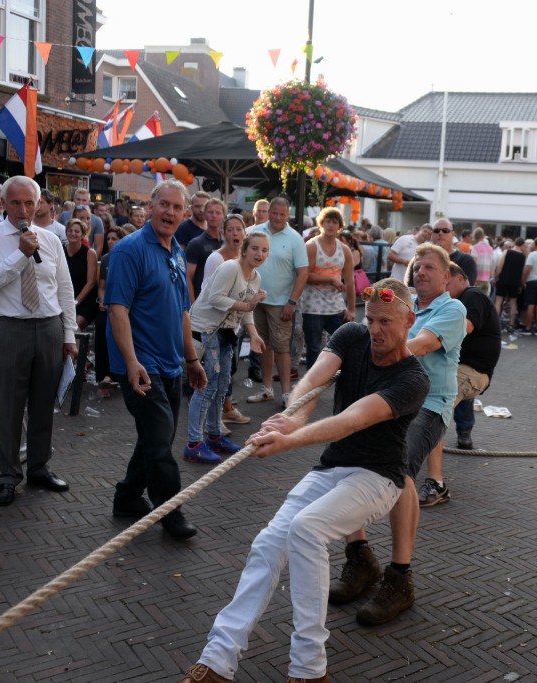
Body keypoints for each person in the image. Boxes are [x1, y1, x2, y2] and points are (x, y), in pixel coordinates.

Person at [180, 279, 428, 683]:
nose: (376, 330)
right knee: (267, 544)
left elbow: (353, 419)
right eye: (372, 320)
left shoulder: (413, 380)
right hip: (333, 468)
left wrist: (290, 439)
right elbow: (315, 379)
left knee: (306, 530)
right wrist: (295, 415)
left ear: (409, 321)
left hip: (379, 478)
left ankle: (310, 670)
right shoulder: (353, 335)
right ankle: (216, 661)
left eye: (387, 322)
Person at [331, 244, 465, 626]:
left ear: (445, 276)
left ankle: (399, 577)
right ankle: (360, 560)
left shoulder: (451, 309)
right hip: (386, 398)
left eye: (429, 267)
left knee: (400, 467)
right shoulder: (402, 307)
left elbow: (421, 345)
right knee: (343, 453)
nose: (420, 272)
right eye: (416, 266)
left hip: (428, 404)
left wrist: (379, 341)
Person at [105, 179, 207, 540]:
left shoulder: (176, 249)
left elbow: (182, 311)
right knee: (161, 441)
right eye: (164, 204)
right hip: (142, 365)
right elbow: (118, 310)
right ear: (150, 207)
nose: (171, 212)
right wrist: (131, 362)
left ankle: (128, 497)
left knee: (155, 436)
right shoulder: (128, 251)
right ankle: (171, 512)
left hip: (171, 364)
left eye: (177, 208)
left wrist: (192, 360)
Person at [0, 176, 78, 507]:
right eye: (15, 203)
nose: (23, 210)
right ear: (3, 204)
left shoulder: (50, 239)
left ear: (39, 204)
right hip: (10, 328)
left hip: (47, 327)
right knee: (8, 407)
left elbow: (64, 288)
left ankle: (39, 467)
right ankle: (7, 476)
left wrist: (69, 333)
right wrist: (20, 255)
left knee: (44, 403)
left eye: (29, 203)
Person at [184, 232, 268, 464]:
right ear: (244, 250)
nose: (259, 254)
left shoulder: (256, 276)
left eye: (264, 250)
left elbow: (248, 310)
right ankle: (193, 443)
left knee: (222, 386)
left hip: (227, 332)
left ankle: (214, 436)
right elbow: (214, 298)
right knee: (206, 386)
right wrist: (246, 304)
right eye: (255, 249)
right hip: (206, 329)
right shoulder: (231, 268)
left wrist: (254, 334)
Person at [246, 196, 308, 407]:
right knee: (262, 346)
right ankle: (266, 389)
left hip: (281, 302)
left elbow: (303, 273)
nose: (278, 217)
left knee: (282, 348)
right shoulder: (254, 232)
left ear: (287, 215)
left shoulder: (294, 238)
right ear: (268, 211)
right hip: (255, 300)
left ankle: (286, 394)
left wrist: (292, 302)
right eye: (274, 213)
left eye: (282, 214)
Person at [439, 262, 501, 453]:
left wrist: (432, 339)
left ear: (459, 279)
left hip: (472, 370)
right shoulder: (461, 299)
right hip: (466, 367)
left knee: (437, 402)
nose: (443, 291)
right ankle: (461, 434)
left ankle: (422, 447)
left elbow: (467, 326)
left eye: (446, 285)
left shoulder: (471, 295)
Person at [201, 214, 252, 427]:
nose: (235, 233)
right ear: (223, 233)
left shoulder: (247, 259)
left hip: (234, 324)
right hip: (214, 324)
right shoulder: (216, 259)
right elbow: (209, 293)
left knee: (229, 369)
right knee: (215, 373)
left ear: (244, 233)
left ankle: (226, 409)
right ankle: (212, 421)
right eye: (230, 229)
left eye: (238, 229)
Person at [301, 207, 355, 370]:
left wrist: (351, 309)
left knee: (345, 344)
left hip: (336, 307)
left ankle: (343, 381)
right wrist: (331, 279)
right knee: (314, 349)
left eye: (334, 222)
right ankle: (310, 387)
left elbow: (350, 281)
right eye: (327, 221)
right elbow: (305, 276)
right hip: (313, 307)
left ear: (339, 226)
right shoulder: (311, 245)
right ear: (321, 223)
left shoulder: (344, 250)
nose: (331, 225)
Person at [95, 225, 127, 397]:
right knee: (101, 327)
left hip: (124, 306)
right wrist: (102, 299)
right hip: (107, 305)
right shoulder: (106, 259)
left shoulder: (129, 258)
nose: (110, 242)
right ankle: (104, 377)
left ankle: (119, 374)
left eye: (114, 239)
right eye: (108, 239)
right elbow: (101, 287)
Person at [185, 197, 225, 302]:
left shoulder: (228, 243)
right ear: (205, 214)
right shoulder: (196, 243)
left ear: (223, 215)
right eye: (210, 212)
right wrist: (192, 303)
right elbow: (187, 277)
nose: (214, 216)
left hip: (225, 301)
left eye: (218, 212)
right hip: (202, 302)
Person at [64, 219, 99, 330]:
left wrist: (75, 302)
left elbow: (91, 282)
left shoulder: (90, 253)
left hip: (85, 299)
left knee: (74, 327)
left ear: (83, 234)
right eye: (70, 231)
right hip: (65, 297)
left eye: (77, 231)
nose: (73, 234)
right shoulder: (61, 250)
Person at [57, 188, 104, 253]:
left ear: (89, 202)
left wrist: (91, 259)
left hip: (86, 254)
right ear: (74, 200)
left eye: (84, 200)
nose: (81, 202)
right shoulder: (64, 215)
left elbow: (98, 246)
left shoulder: (97, 220)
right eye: (78, 199)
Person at [494, 238, 525, 331]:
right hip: (515, 282)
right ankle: (511, 324)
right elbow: (522, 271)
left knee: (499, 301)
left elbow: (500, 266)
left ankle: (495, 323)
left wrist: (496, 277)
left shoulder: (507, 252)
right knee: (513, 302)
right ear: (522, 245)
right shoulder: (523, 256)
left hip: (503, 279)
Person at [470, 227, 494, 294]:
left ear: (475, 237)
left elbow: (473, 263)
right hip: (487, 279)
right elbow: (491, 264)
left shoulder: (475, 248)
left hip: (477, 279)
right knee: (485, 302)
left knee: (476, 301)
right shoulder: (490, 249)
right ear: (483, 236)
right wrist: (491, 277)